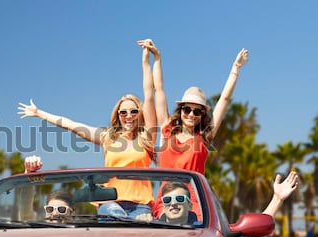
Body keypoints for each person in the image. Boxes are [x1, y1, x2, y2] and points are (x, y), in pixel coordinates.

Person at [137, 39, 299, 220]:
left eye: (197, 111)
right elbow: (158, 89)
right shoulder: (167, 130)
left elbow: (224, 100)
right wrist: (157, 58)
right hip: (166, 203)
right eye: (187, 109)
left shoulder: (204, 137)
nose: (191, 114)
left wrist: (235, 69)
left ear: (202, 115)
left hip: (195, 207)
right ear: (181, 110)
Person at [17, 92, 157, 219]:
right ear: (118, 115)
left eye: (134, 111)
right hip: (111, 204)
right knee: (117, 218)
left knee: (141, 234)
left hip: (140, 205)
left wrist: (147, 62)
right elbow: (71, 125)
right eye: (123, 112)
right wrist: (39, 113)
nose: (128, 116)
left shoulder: (146, 138)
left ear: (140, 114)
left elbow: (150, 96)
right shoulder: (107, 137)